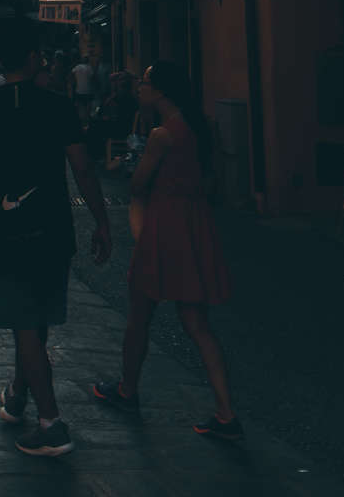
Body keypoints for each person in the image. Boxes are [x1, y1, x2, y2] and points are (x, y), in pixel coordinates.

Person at [0, 19, 112, 458]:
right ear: (32, 58)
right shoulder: (57, 106)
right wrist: (101, 220)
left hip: (12, 231)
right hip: (55, 227)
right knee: (33, 318)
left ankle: (51, 423)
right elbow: (83, 168)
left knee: (25, 322)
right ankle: (18, 393)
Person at [93, 62, 241, 440]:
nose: (140, 88)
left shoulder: (162, 135)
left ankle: (127, 390)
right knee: (197, 323)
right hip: (194, 227)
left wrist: (140, 232)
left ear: (160, 91)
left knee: (140, 316)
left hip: (164, 227)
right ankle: (226, 412)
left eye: (144, 83)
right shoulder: (198, 127)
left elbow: (139, 185)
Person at [70, 54, 95, 128]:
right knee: (88, 108)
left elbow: (71, 75)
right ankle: (87, 123)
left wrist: (74, 82)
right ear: (88, 61)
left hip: (79, 91)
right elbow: (93, 78)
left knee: (81, 108)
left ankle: (82, 123)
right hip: (88, 91)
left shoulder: (77, 67)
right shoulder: (89, 68)